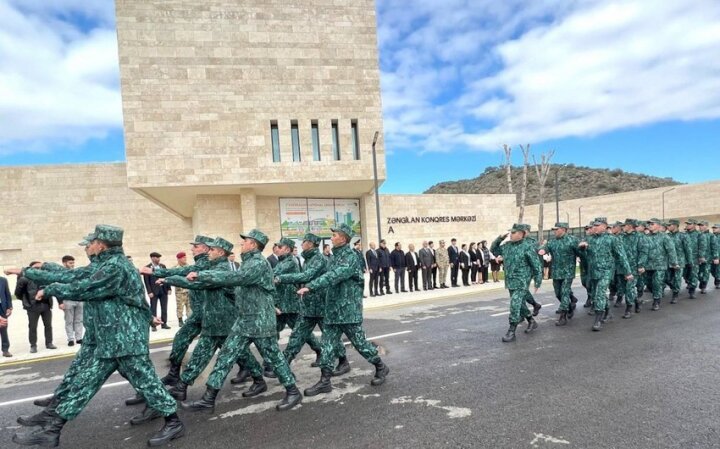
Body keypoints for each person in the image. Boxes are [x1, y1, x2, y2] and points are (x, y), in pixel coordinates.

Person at [12, 225, 184, 447]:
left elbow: (86, 288)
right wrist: (32, 271)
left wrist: (52, 289)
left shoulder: (116, 267)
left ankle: (173, 421)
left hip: (123, 337)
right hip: (112, 335)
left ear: (101, 245)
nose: (87, 247)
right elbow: (75, 275)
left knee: (116, 381)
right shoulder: (107, 264)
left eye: (90, 243)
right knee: (106, 380)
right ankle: (53, 425)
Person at [181, 229, 302, 413]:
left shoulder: (257, 263)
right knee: (226, 355)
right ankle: (208, 398)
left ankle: (292, 391)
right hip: (245, 319)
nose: (241, 244)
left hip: (260, 320)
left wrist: (203, 275)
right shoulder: (249, 262)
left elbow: (237, 278)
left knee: (274, 357)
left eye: (244, 241)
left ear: (253, 244)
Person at [300, 224, 389, 397]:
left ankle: (380, 366)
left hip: (348, 311)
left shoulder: (350, 257)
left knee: (360, 344)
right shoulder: (334, 257)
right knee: (327, 345)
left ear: (343, 238)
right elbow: (326, 277)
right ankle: (325, 381)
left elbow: (334, 276)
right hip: (333, 310)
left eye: (334, 235)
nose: (331, 237)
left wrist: (311, 286)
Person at [162, 238, 249, 404]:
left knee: (227, 355)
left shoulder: (221, 268)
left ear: (220, 252)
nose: (209, 252)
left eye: (212, 249)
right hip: (211, 318)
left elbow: (200, 282)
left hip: (221, 319)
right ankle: (183, 385)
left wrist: (168, 279)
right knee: (208, 353)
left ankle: (262, 377)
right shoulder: (213, 265)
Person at [135, 235, 214, 402]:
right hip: (199, 313)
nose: (192, 249)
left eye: (196, 246)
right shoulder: (200, 263)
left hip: (210, 314)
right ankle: (174, 374)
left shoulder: (207, 263)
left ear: (206, 248)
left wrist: (162, 275)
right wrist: (163, 276)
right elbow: (182, 271)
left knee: (228, 347)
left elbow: (186, 275)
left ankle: (254, 374)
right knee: (180, 339)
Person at [276, 233, 348, 375]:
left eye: (304, 242)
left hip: (321, 305)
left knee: (330, 336)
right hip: (308, 305)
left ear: (310, 243)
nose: (301, 244)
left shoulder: (318, 259)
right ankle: (284, 365)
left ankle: (343, 361)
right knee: (297, 335)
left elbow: (307, 276)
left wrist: (280, 278)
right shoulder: (308, 259)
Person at [266, 238, 322, 378]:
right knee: (272, 332)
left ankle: (319, 351)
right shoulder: (282, 261)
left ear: (287, 249)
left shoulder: (290, 261)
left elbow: (273, 275)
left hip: (290, 304)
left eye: (280, 246)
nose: (277, 249)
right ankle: (271, 362)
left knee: (301, 333)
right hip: (280, 304)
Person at [579, 217, 632, 331]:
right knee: (596, 295)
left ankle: (598, 319)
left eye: (597, 225)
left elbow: (621, 256)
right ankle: (607, 312)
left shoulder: (612, 239)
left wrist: (627, 272)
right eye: (593, 226)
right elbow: (586, 256)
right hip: (593, 272)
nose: (594, 227)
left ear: (604, 226)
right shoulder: (590, 239)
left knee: (600, 293)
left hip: (606, 271)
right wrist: (583, 249)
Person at [492, 224, 542, 342]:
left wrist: (537, 282)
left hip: (521, 281)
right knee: (520, 305)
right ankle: (531, 320)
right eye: (511, 232)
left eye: (513, 233)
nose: (511, 234)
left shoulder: (527, 246)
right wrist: (500, 238)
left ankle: (512, 330)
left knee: (514, 304)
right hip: (510, 281)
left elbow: (536, 266)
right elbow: (493, 250)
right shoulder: (507, 246)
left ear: (521, 233)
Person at [538, 222, 581, 326]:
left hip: (568, 272)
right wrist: (541, 250)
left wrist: (582, 250)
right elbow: (543, 249)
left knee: (565, 292)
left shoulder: (572, 240)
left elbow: (581, 253)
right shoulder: (552, 242)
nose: (554, 231)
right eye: (554, 229)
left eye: (556, 229)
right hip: (556, 272)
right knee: (558, 293)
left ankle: (563, 316)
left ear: (564, 229)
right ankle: (569, 307)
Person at [16, 261, 57, 353]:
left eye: (39, 268)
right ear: (31, 269)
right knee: (33, 327)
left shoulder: (45, 278)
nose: (38, 270)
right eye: (36, 268)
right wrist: (27, 301)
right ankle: (33, 345)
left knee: (48, 325)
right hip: (32, 306)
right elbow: (18, 293)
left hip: (46, 305)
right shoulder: (24, 279)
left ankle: (49, 343)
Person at [641, 218, 679, 311]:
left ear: (658, 225)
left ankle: (656, 301)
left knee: (657, 283)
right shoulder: (645, 237)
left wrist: (674, 263)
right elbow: (642, 252)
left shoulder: (664, 237)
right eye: (649, 224)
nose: (650, 225)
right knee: (648, 283)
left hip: (660, 265)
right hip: (648, 265)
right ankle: (657, 294)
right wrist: (641, 264)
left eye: (652, 224)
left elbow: (671, 250)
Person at [58, 255, 84, 347]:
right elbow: (58, 289)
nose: (72, 264)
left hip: (79, 300)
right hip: (68, 300)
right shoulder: (61, 275)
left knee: (79, 320)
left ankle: (79, 338)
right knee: (69, 320)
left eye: (73, 263)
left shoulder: (77, 273)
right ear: (64, 263)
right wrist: (60, 302)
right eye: (70, 263)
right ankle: (70, 339)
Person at [143, 252, 171, 330]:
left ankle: (164, 323)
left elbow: (166, 277)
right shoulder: (147, 268)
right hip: (154, 291)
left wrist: (169, 288)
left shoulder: (163, 266)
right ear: (152, 258)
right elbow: (146, 281)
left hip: (163, 290)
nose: (158, 259)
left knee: (164, 308)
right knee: (153, 308)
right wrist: (149, 291)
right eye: (157, 257)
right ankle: (153, 325)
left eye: (159, 258)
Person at [174, 252, 192, 327]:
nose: (185, 259)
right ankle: (180, 320)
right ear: (179, 259)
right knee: (180, 306)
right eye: (183, 258)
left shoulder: (189, 267)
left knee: (190, 306)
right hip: (180, 291)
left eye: (185, 257)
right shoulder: (175, 268)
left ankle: (189, 319)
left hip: (189, 290)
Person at [0, 275, 12, 357]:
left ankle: (5, 350)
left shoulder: (3, 280)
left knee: (3, 329)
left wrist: (9, 307)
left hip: (2, 308)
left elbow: (7, 294)